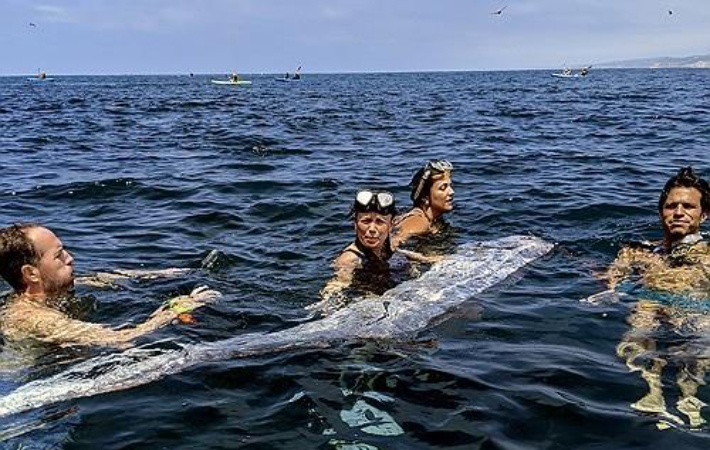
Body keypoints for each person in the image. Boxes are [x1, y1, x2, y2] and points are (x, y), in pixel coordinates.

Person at [600, 167, 710, 428]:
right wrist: (610, 287)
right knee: (639, 328)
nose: (679, 212)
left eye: (688, 206)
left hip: (695, 305)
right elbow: (612, 277)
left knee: (702, 339)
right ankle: (653, 392)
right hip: (649, 301)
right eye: (672, 206)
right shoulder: (638, 250)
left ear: (703, 215)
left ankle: (690, 398)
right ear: (662, 212)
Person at [0, 224, 219, 348]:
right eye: (59, 256)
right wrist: (174, 310)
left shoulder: (45, 293)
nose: (70, 258)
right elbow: (122, 339)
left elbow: (102, 278)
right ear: (31, 273)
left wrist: (158, 274)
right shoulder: (32, 318)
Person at [392, 159, 455, 247]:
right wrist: (424, 258)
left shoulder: (431, 220)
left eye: (450, 186)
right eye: (443, 188)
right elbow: (392, 245)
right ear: (426, 197)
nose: (451, 192)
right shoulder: (419, 221)